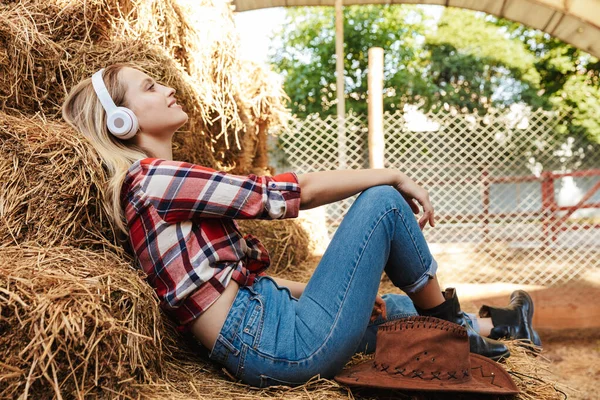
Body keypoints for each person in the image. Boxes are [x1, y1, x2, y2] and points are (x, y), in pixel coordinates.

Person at [61, 63, 540, 388]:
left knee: (390, 308)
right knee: (382, 203)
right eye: (148, 87)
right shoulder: (154, 180)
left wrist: (318, 291)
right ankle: (453, 325)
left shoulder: (156, 187)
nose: (166, 88)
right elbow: (286, 194)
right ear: (121, 121)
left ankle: (502, 327)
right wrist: (391, 174)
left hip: (267, 334)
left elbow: (239, 285)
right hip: (277, 343)